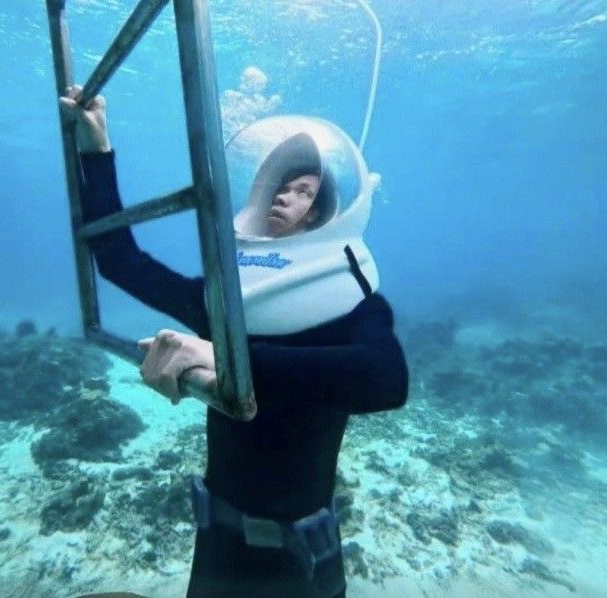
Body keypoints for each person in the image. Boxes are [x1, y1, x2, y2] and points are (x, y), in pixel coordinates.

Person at [59, 85, 409, 598]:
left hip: (301, 558)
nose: (286, 195)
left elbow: (387, 381)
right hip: (218, 542)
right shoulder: (226, 300)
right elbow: (119, 260)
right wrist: (97, 149)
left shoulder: (350, 304)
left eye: (305, 191)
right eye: (283, 187)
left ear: (319, 214)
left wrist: (229, 359)